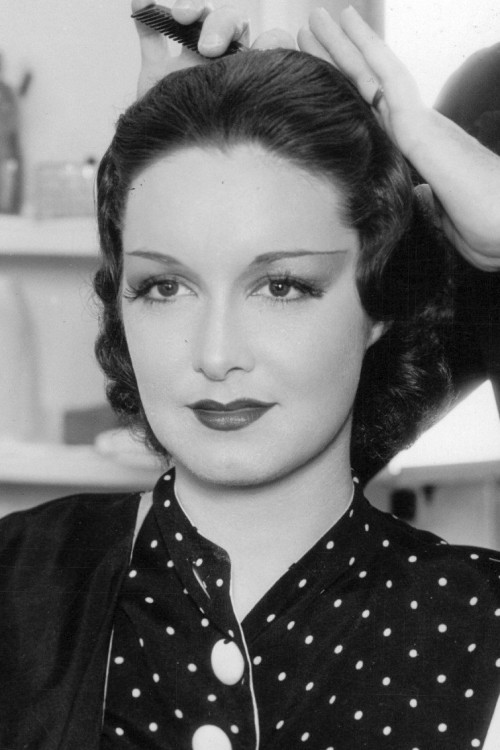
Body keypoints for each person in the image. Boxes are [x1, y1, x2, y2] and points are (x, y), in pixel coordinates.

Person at [1, 3, 500, 749]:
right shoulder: (19, 589)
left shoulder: (475, 623)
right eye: (164, 287)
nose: (216, 353)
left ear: (380, 302)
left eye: (282, 286)